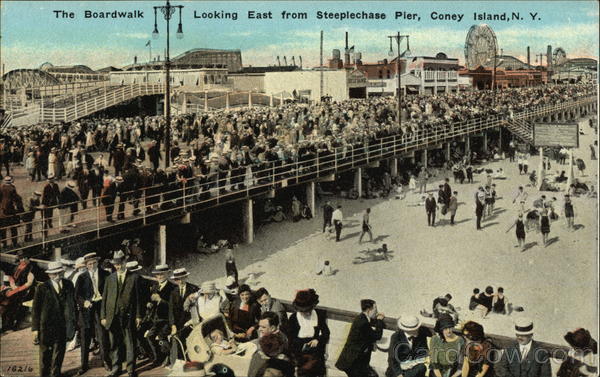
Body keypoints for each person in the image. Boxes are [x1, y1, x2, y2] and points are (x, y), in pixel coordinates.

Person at [101, 250, 143, 377]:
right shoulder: (110, 279)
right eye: (116, 265)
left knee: (130, 343)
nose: (118, 267)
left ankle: (131, 369)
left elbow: (138, 299)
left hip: (128, 316)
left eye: (120, 264)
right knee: (115, 343)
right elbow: (105, 298)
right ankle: (116, 369)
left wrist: (138, 315)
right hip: (112, 316)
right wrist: (103, 316)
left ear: (125, 262)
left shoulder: (135, 278)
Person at [31, 261, 77, 377]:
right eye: (54, 274)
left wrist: (73, 323)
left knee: (59, 352)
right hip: (46, 326)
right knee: (45, 354)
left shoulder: (68, 284)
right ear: (49, 275)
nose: (57, 276)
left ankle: (55, 374)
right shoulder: (42, 288)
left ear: (62, 272)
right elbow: (35, 309)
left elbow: (72, 305)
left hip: (63, 326)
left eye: (59, 273)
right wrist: (35, 329)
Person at [75, 252, 111, 374]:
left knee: (102, 336)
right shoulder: (82, 277)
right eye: (89, 264)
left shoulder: (106, 274)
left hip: (100, 308)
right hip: (87, 310)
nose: (92, 265)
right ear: (86, 265)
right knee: (85, 338)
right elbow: (77, 295)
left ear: (98, 262)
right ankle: (84, 365)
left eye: (94, 263)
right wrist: (84, 302)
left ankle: (106, 361)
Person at [335, 299, 385, 377]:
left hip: (353, 359)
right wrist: (379, 321)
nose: (377, 312)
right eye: (375, 309)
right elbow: (377, 336)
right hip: (353, 362)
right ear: (369, 310)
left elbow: (367, 333)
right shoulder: (363, 323)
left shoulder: (362, 317)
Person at [288, 289, 329, 377]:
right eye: (303, 311)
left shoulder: (319, 315)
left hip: (316, 353)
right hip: (300, 355)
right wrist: (301, 346)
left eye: (308, 311)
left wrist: (318, 340)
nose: (306, 314)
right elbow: (290, 339)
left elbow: (326, 333)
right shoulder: (293, 318)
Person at [146, 264, 176, 367]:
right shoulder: (154, 287)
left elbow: (173, 306)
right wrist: (150, 304)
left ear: (167, 274)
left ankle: (167, 357)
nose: (160, 276)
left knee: (162, 338)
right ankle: (158, 357)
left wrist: (160, 300)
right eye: (158, 274)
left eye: (162, 274)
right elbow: (152, 302)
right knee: (150, 336)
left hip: (167, 318)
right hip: (156, 318)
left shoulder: (173, 287)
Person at [168, 268, 199, 365]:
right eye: (177, 279)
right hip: (178, 323)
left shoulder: (194, 289)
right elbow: (171, 311)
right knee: (176, 339)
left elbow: (197, 307)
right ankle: (179, 363)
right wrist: (173, 325)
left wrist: (193, 321)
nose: (180, 281)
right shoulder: (173, 292)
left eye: (182, 278)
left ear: (186, 277)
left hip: (191, 322)